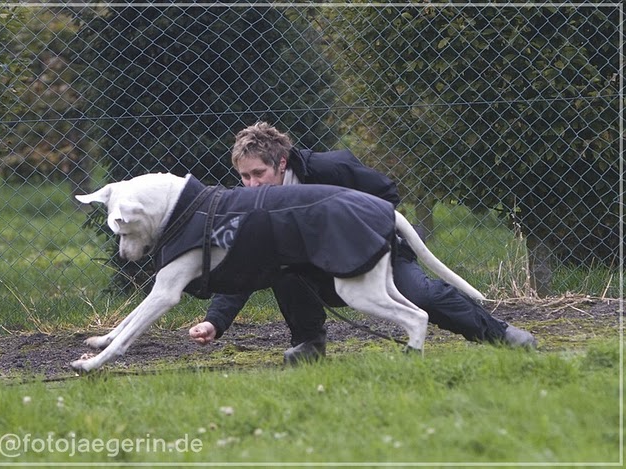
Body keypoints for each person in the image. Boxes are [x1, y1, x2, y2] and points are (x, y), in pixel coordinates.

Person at [189, 122, 536, 363]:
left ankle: (500, 334)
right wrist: (215, 321)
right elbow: (244, 264)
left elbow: (386, 193)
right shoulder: (253, 204)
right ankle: (308, 343)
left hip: (374, 252)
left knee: (422, 295)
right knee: (281, 263)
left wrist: (352, 232)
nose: (251, 185)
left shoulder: (330, 169)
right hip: (321, 274)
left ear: (281, 163)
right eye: (244, 177)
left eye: (258, 174)